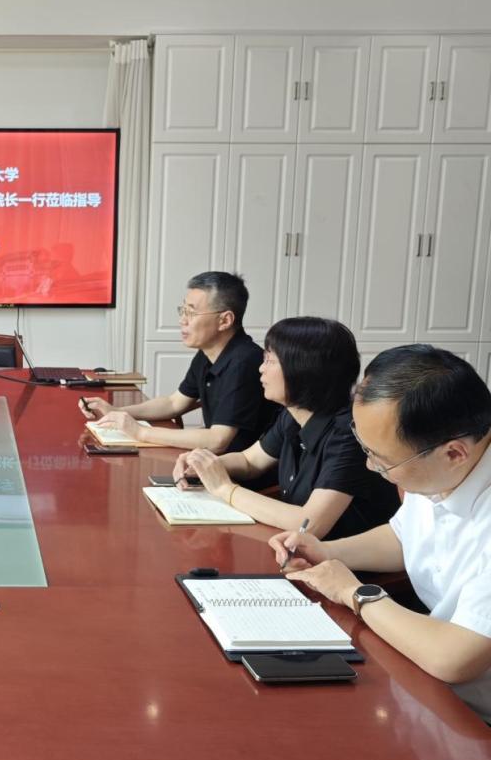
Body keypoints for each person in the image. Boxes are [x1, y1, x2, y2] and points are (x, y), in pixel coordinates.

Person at [270, 345, 491, 723]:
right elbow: (403, 536)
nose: (371, 467)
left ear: (454, 453)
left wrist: (354, 593)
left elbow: (454, 657)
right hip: (423, 684)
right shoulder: (439, 467)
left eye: (383, 459)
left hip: (473, 718)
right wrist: (326, 551)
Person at [173, 317, 400, 538]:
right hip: (292, 548)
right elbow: (249, 461)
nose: (260, 369)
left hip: (339, 559)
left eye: (270, 361)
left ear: (304, 371)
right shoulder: (293, 415)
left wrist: (225, 489)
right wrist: (204, 463)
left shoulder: (349, 434)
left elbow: (309, 525)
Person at [82, 271, 278, 451]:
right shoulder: (208, 353)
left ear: (225, 320)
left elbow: (218, 440)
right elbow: (174, 403)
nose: (182, 320)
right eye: (182, 311)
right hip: (212, 460)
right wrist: (116, 412)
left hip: (240, 469)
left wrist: (140, 432)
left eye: (191, 312)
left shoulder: (244, 362)